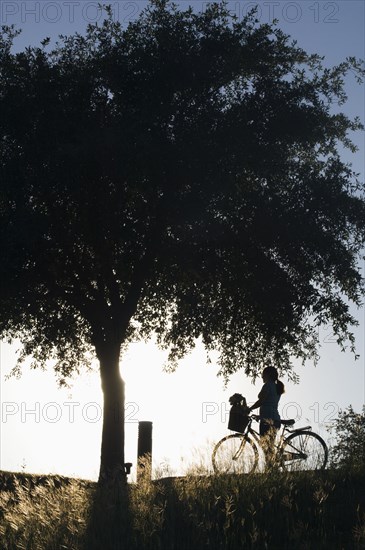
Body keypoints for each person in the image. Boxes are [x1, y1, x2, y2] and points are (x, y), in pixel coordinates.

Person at [248, 366, 285, 465]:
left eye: (263, 374)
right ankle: (271, 469)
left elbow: (262, 401)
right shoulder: (276, 387)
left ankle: (270, 469)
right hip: (274, 419)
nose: (262, 376)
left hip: (268, 420)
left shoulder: (268, 385)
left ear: (268, 374)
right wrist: (259, 416)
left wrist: (249, 409)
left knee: (267, 447)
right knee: (268, 447)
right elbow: (269, 403)